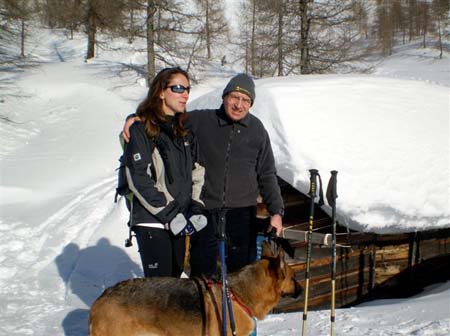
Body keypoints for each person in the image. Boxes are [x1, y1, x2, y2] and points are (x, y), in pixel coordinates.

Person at [123, 73, 284, 278]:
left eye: (245, 100)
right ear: (224, 97)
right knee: (202, 272)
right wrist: (136, 119)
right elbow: (163, 117)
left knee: (242, 276)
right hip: (205, 211)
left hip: (242, 213)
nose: (239, 104)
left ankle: (236, 312)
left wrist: (276, 211)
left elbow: (267, 173)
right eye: (234, 97)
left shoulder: (257, 130)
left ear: (251, 104)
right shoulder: (200, 120)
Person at [124, 67, 206, 278]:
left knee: (174, 281)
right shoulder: (141, 129)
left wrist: (196, 207)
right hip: (152, 219)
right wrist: (169, 214)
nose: (185, 94)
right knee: (160, 291)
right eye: (178, 88)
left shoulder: (184, 131)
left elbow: (197, 173)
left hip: (178, 220)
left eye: (187, 89)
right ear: (161, 91)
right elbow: (138, 178)